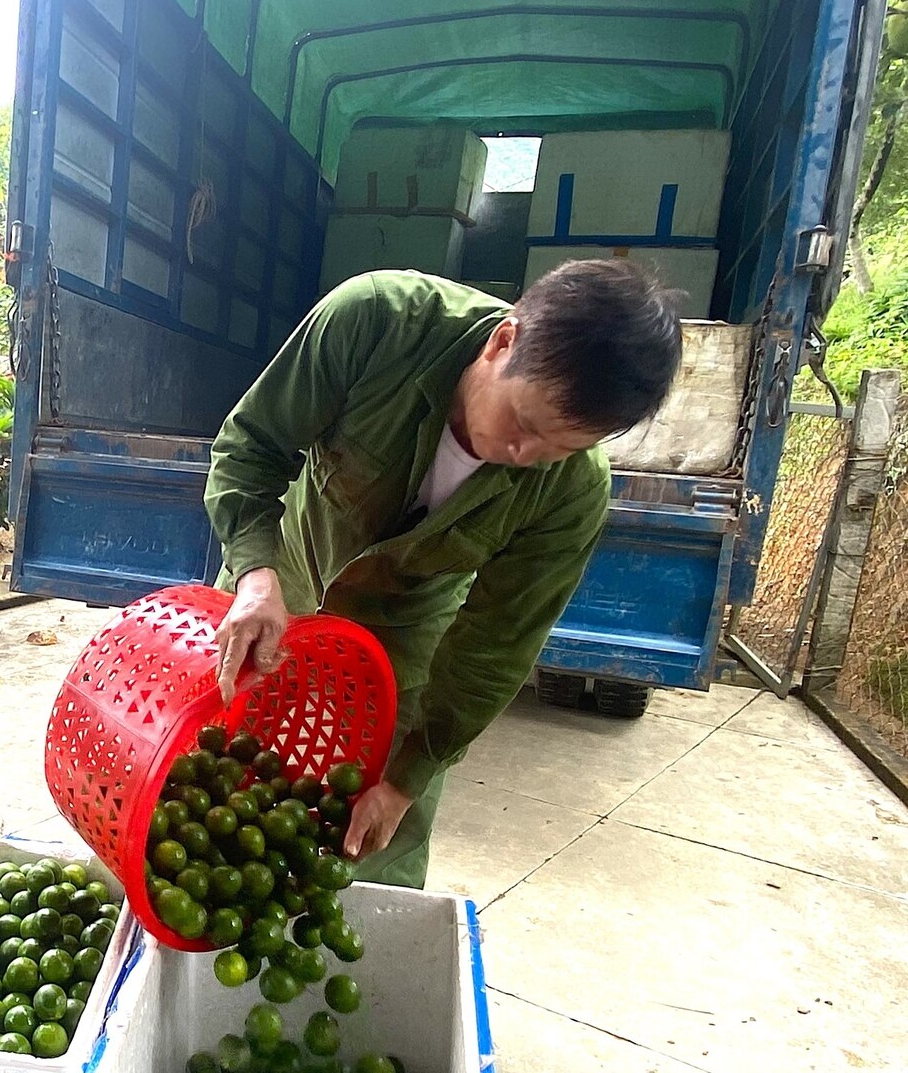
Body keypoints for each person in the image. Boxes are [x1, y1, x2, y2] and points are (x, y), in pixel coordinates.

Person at [205, 260, 681, 888]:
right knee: (212, 760)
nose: (523, 457)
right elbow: (252, 448)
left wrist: (407, 780)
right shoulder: (375, 320)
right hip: (289, 561)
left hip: (412, 618)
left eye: (558, 449)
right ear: (502, 342)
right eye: (524, 425)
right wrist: (256, 574)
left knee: (375, 842)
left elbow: (495, 648)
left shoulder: (572, 492)